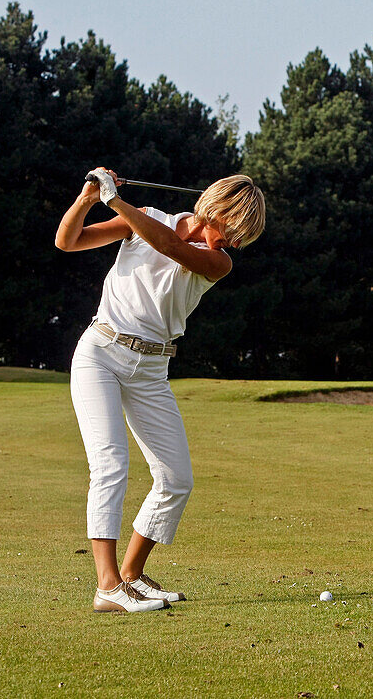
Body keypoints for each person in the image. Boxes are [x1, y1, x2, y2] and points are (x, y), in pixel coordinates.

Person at [55, 168, 265, 612]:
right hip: (101, 353)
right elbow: (68, 242)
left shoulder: (218, 262)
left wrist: (116, 201)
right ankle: (107, 586)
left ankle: (131, 573)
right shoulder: (146, 217)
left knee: (176, 479)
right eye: (234, 232)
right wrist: (89, 197)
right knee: (110, 464)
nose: (236, 246)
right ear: (216, 211)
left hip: (151, 369)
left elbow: (170, 246)